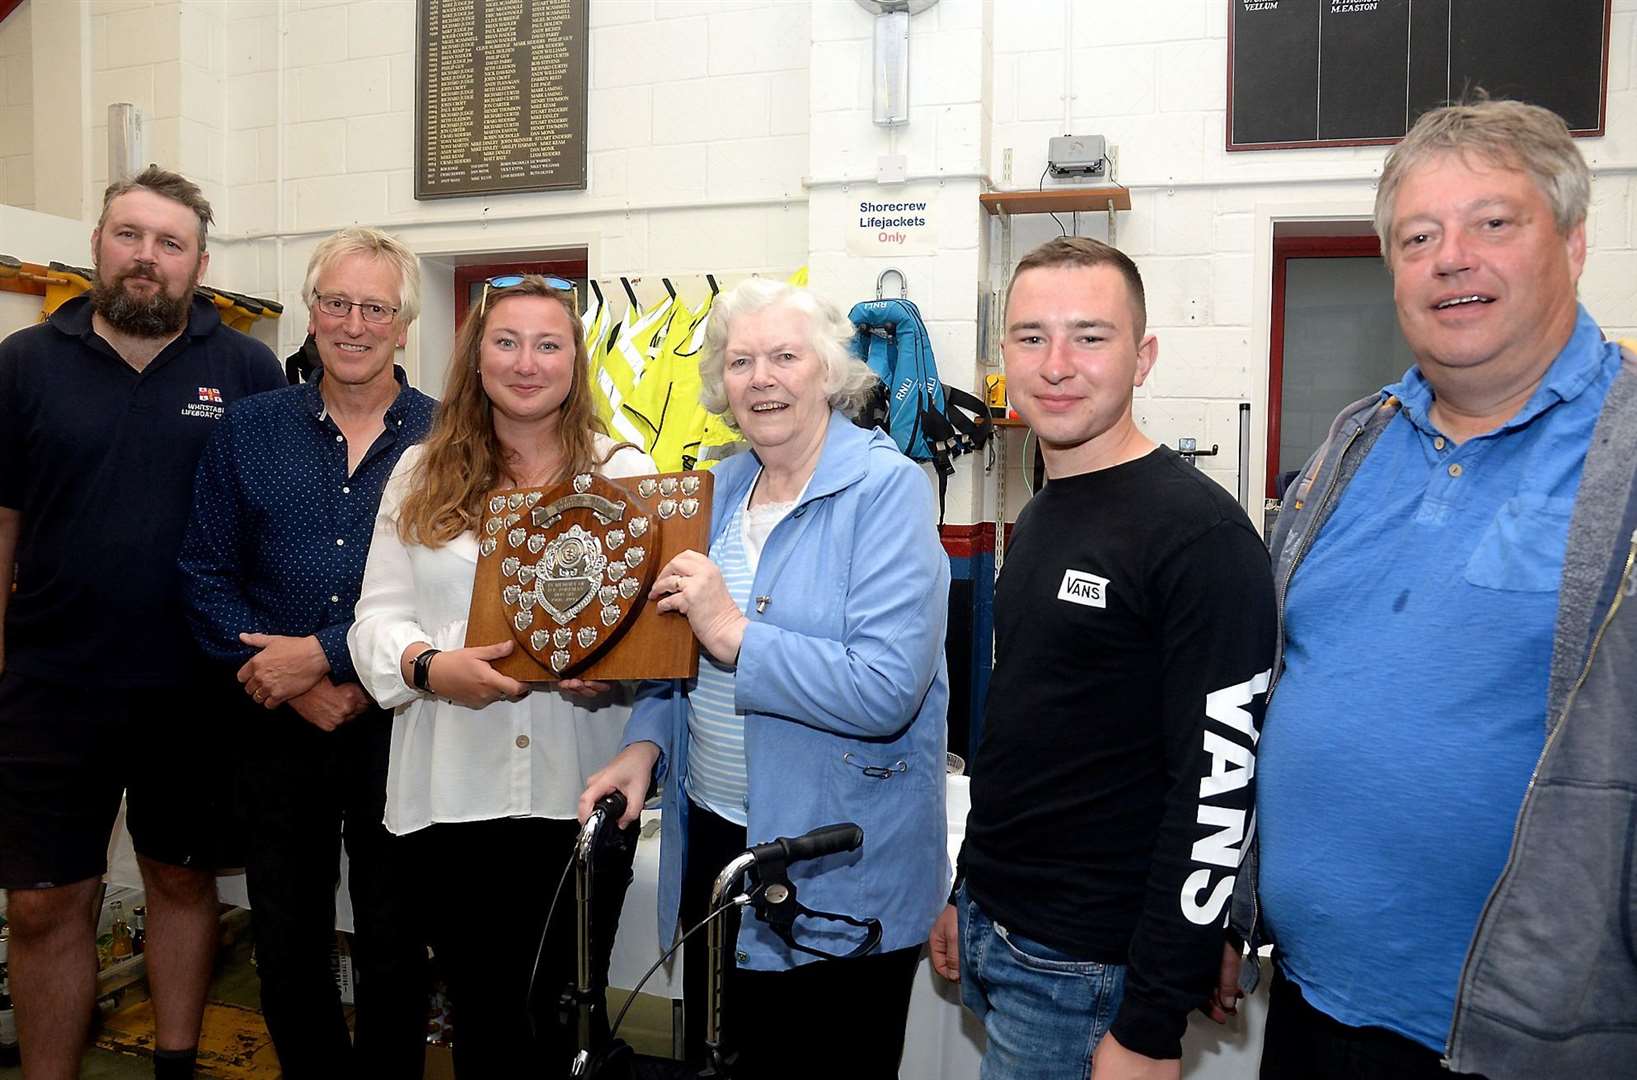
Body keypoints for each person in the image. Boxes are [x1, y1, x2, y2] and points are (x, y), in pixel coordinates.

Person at [1228, 98, 1637, 1079]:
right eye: (1418, 236)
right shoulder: (1348, 446)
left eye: (1492, 223)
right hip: (1314, 1003)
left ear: (1572, 243)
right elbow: (1272, 690)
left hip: (1524, 1045)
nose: (1450, 257)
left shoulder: (1624, 455)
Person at [580, 278, 951, 1078]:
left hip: (830, 858)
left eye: (785, 356)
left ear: (827, 373)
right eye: (741, 360)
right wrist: (643, 743)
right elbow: (672, 649)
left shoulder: (887, 491)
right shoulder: (712, 488)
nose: (762, 378)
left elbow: (886, 689)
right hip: (715, 837)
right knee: (721, 1058)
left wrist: (736, 632)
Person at [928, 236, 1276, 1080]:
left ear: (1142, 355)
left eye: (1089, 336)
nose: (1056, 364)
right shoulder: (1047, 506)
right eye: (1030, 337)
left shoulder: (1200, 537)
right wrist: (965, 889)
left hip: (1086, 967)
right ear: (1002, 356)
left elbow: (1217, 789)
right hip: (999, 922)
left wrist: (1152, 1020)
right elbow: (1028, 726)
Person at [0, 166, 283, 1080]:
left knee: (180, 878)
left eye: (170, 244)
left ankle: (170, 1068)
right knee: (45, 904)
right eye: (130, 236)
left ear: (199, 264)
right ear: (96, 244)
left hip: (195, 687)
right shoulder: (23, 362)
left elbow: (270, 526)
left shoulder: (245, 369)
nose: (147, 259)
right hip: (51, 686)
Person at [348, 275, 649, 1078]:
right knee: (483, 1019)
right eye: (506, 342)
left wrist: (613, 675)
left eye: (548, 344)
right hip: (456, 794)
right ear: (475, 359)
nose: (526, 362)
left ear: (576, 362)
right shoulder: (420, 474)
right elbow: (374, 621)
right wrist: (430, 667)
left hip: (576, 788)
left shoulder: (625, 470)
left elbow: (654, 626)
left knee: (565, 1018)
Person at [177, 227, 437, 1078]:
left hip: (401, 723)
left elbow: (463, 599)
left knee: (397, 940)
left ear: (404, 326)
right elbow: (204, 574)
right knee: (286, 942)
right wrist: (291, 687)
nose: (353, 324)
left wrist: (335, 662)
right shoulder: (249, 431)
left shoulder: (448, 441)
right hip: (272, 729)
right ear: (311, 311)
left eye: (376, 308)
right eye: (337, 303)